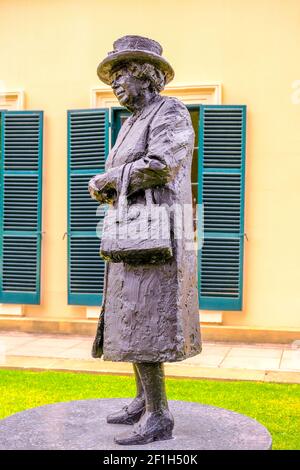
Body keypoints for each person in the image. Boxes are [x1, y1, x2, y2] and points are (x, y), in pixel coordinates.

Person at [88, 35, 201, 446]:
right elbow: (128, 171)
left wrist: (108, 180)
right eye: (113, 78)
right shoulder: (132, 122)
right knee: (130, 316)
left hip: (156, 237)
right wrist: (108, 186)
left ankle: (158, 416)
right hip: (131, 233)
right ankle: (141, 400)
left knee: (146, 317)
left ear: (144, 77)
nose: (115, 85)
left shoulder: (169, 111)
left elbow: (160, 165)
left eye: (122, 77)